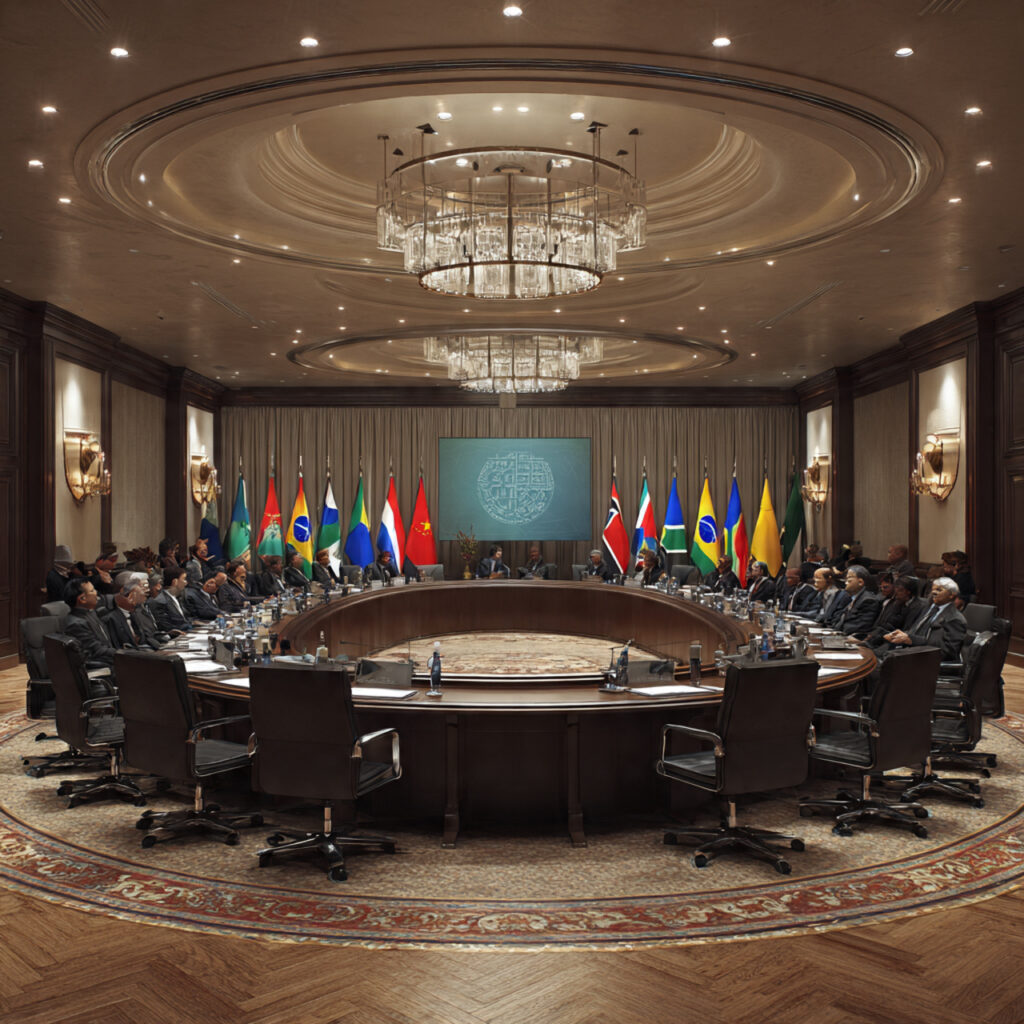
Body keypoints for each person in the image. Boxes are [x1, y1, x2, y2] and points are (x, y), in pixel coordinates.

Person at [874, 576, 967, 662]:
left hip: (924, 661)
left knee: (875, 667)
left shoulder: (955, 619)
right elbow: (915, 631)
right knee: (872, 655)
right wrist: (901, 635)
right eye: (933, 589)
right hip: (908, 650)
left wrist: (911, 639)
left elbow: (946, 653)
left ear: (951, 595)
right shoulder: (928, 608)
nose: (933, 592)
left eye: (939, 590)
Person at [62, 577, 118, 669]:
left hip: (111, 661)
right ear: (83, 598)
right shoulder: (76, 624)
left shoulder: (91, 613)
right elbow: (97, 651)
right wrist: (122, 654)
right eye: (92, 591)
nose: (96, 593)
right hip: (102, 667)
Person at [866, 574, 923, 648]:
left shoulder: (918, 607)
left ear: (908, 592)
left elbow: (908, 630)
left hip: (902, 642)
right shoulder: (896, 602)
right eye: (896, 590)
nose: (896, 594)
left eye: (899, 591)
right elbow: (888, 625)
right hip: (888, 637)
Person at [834, 565, 882, 636]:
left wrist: (839, 633)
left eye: (849, 579)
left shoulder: (868, 600)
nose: (845, 583)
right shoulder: (854, 597)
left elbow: (860, 627)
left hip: (853, 639)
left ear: (860, 582)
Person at [149, 567, 192, 633]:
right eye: (184, 579)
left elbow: (185, 619)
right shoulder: (160, 601)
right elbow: (167, 628)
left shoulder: (178, 597)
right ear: (175, 582)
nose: (186, 582)